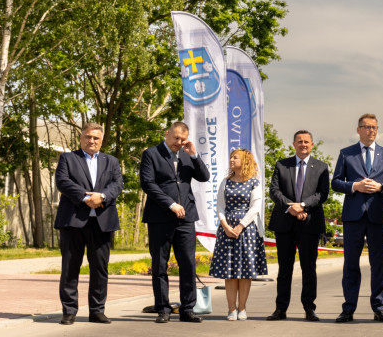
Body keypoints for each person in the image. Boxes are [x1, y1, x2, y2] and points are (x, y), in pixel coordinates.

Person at [139, 121, 211, 323]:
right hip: (160, 218)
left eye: (182, 139)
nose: (178, 142)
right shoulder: (151, 154)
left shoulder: (188, 155)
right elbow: (148, 184)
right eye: (175, 138)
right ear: (167, 133)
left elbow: (204, 177)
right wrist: (170, 204)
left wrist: (195, 154)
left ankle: (188, 309)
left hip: (186, 218)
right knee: (160, 265)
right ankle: (163, 308)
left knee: (188, 264)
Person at [53, 122, 124, 325]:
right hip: (73, 222)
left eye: (96, 138)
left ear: (101, 141)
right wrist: (86, 199)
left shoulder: (111, 161)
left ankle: (97, 311)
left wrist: (101, 196)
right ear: (81, 137)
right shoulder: (68, 158)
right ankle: (69, 311)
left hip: (102, 223)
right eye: (88, 137)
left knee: (100, 269)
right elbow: (63, 181)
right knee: (70, 268)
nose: (91, 140)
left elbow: (117, 184)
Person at [332, 114, 383, 323]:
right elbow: (335, 182)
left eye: (374, 127)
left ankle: (379, 307)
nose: (371, 130)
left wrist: (381, 187)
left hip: (377, 216)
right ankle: (348, 308)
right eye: (367, 127)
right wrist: (354, 186)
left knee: (378, 264)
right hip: (353, 217)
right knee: (351, 263)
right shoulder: (346, 154)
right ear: (358, 129)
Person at [266, 130, 330, 321]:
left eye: (306, 142)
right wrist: (291, 207)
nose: (303, 144)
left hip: (309, 224)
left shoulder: (321, 167)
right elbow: (274, 191)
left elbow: (322, 194)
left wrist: (302, 206)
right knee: (284, 269)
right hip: (284, 223)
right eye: (299, 141)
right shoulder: (281, 165)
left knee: (308, 269)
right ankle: (280, 309)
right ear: (293, 144)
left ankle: (309, 308)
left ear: (312, 145)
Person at [209, 149, 267, 321]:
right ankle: (231, 309)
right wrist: (225, 225)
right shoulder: (225, 182)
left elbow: (255, 208)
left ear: (245, 161)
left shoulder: (254, 183)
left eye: (235, 157)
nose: (232, 160)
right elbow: (220, 205)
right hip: (227, 229)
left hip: (247, 229)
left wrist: (241, 225)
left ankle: (242, 308)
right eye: (231, 157)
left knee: (245, 272)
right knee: (230, 272)